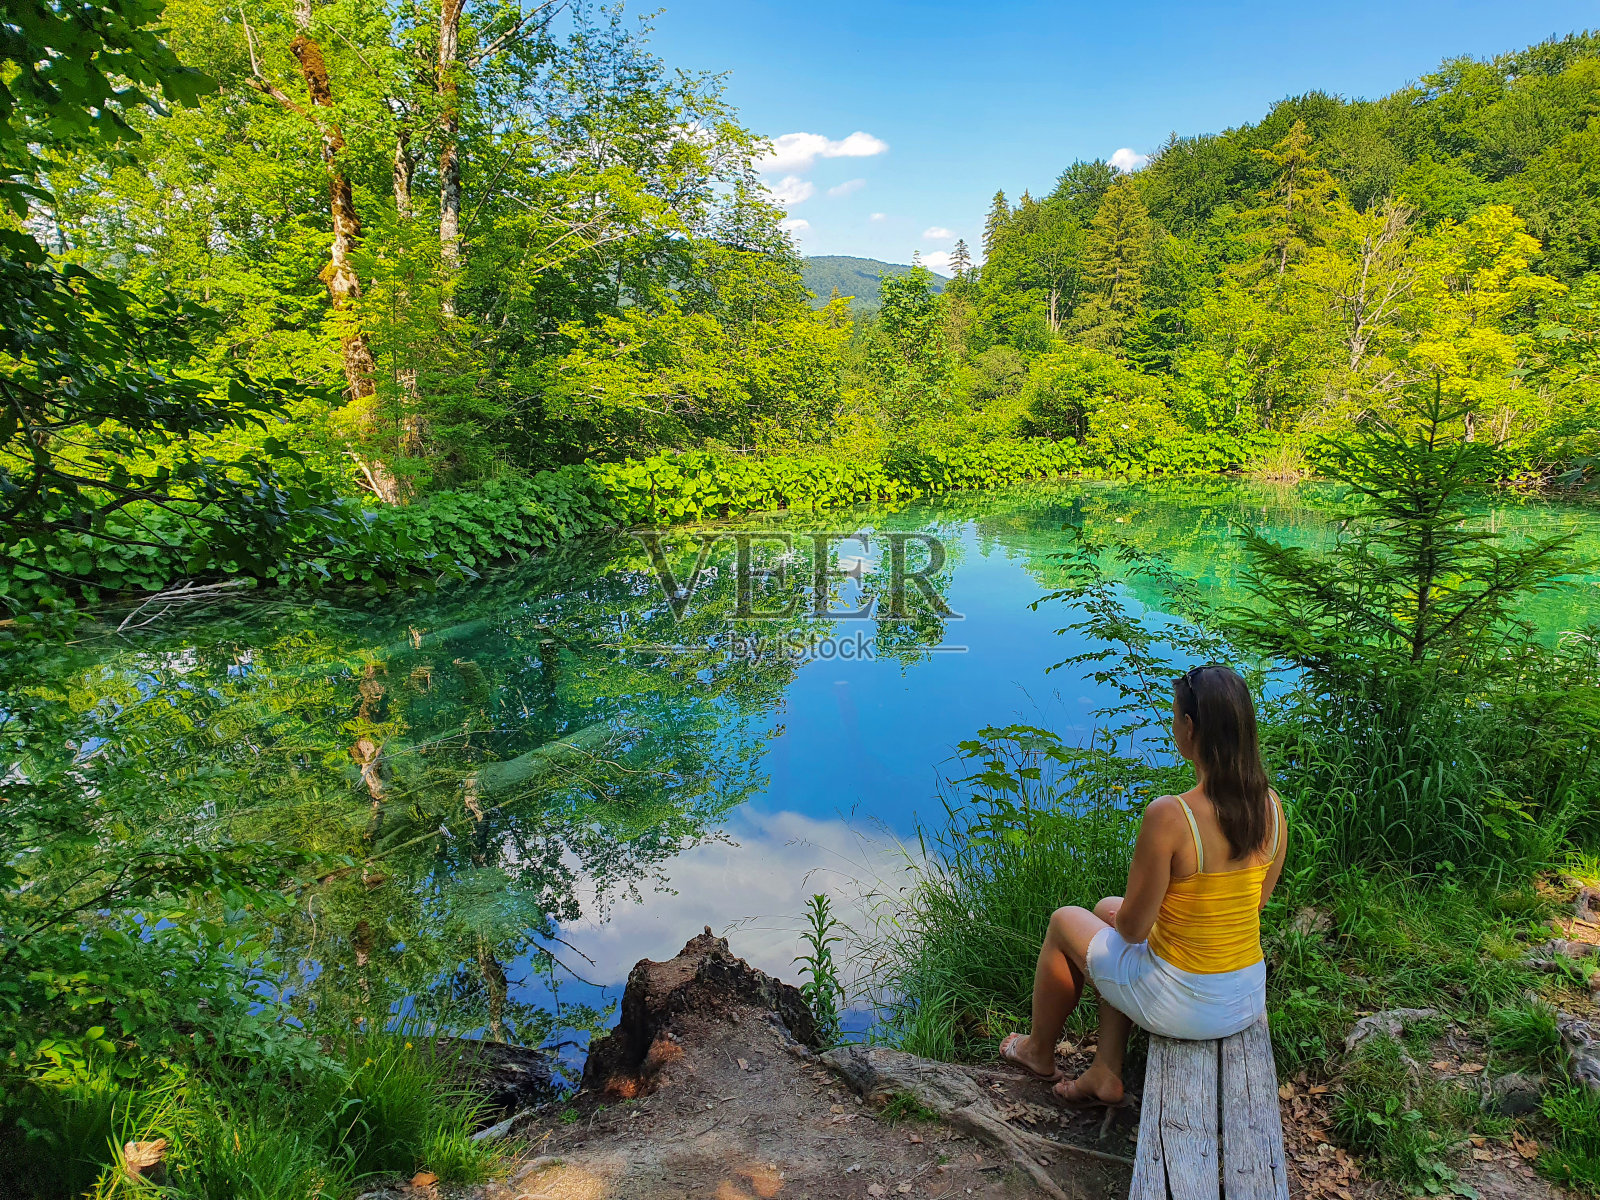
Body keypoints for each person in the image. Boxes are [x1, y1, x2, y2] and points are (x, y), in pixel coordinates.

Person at [998, 664, 1287, 1105]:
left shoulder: (1171, 815)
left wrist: (1132, 922)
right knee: (1104, 908)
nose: (1173, 728)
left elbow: (1132, 930)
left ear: (1189, 727)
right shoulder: (1271, 806)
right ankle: (1104, 1069)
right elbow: (1251, 906)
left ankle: (1037, 1051)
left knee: (1065, 921)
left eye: (1174, 718)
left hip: (1188, 1004)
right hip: (1243, 996)